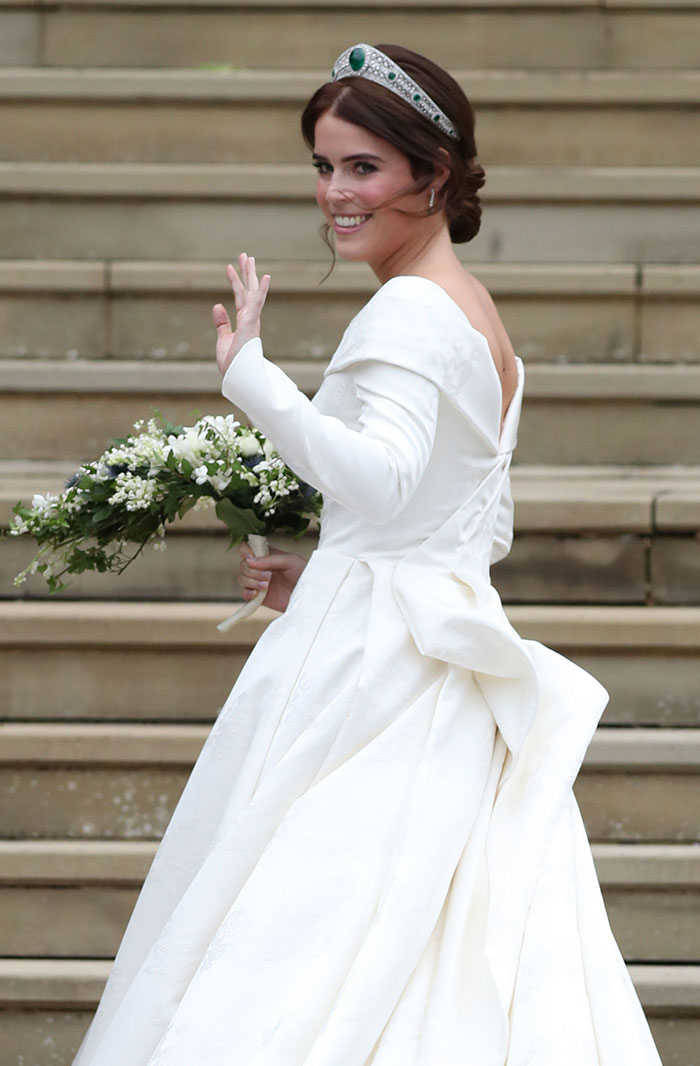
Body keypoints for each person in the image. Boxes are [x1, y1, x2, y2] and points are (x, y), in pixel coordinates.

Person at [72, 43, 665, 1066]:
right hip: (432, 647)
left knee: (302, 930)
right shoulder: (478, 315)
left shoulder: (407, 307)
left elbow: (384, 481)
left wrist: (251, 378)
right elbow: (472, 522)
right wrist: (341, 559)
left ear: (432, 175)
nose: (335, 193)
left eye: (362, 167)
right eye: (323, 166)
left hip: (373, 675)